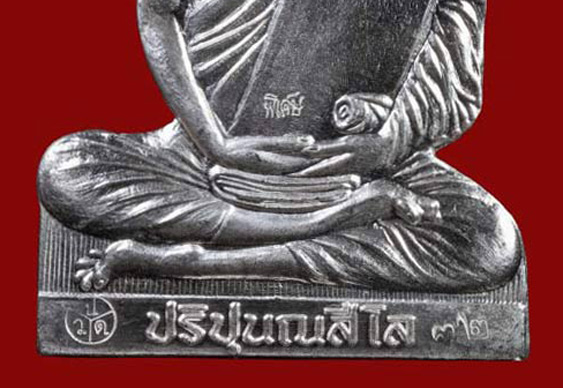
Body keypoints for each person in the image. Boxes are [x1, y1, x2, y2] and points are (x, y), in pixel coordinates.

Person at [38, 0, 523, 293]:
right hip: (200, 153)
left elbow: (454, 79)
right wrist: (216, 142)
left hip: (365, 165)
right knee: (68, 169)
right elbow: (157, 11)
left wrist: (388, 139)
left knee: (488, 243)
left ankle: (201, 262)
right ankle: (331, 223)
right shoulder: (208, 143)